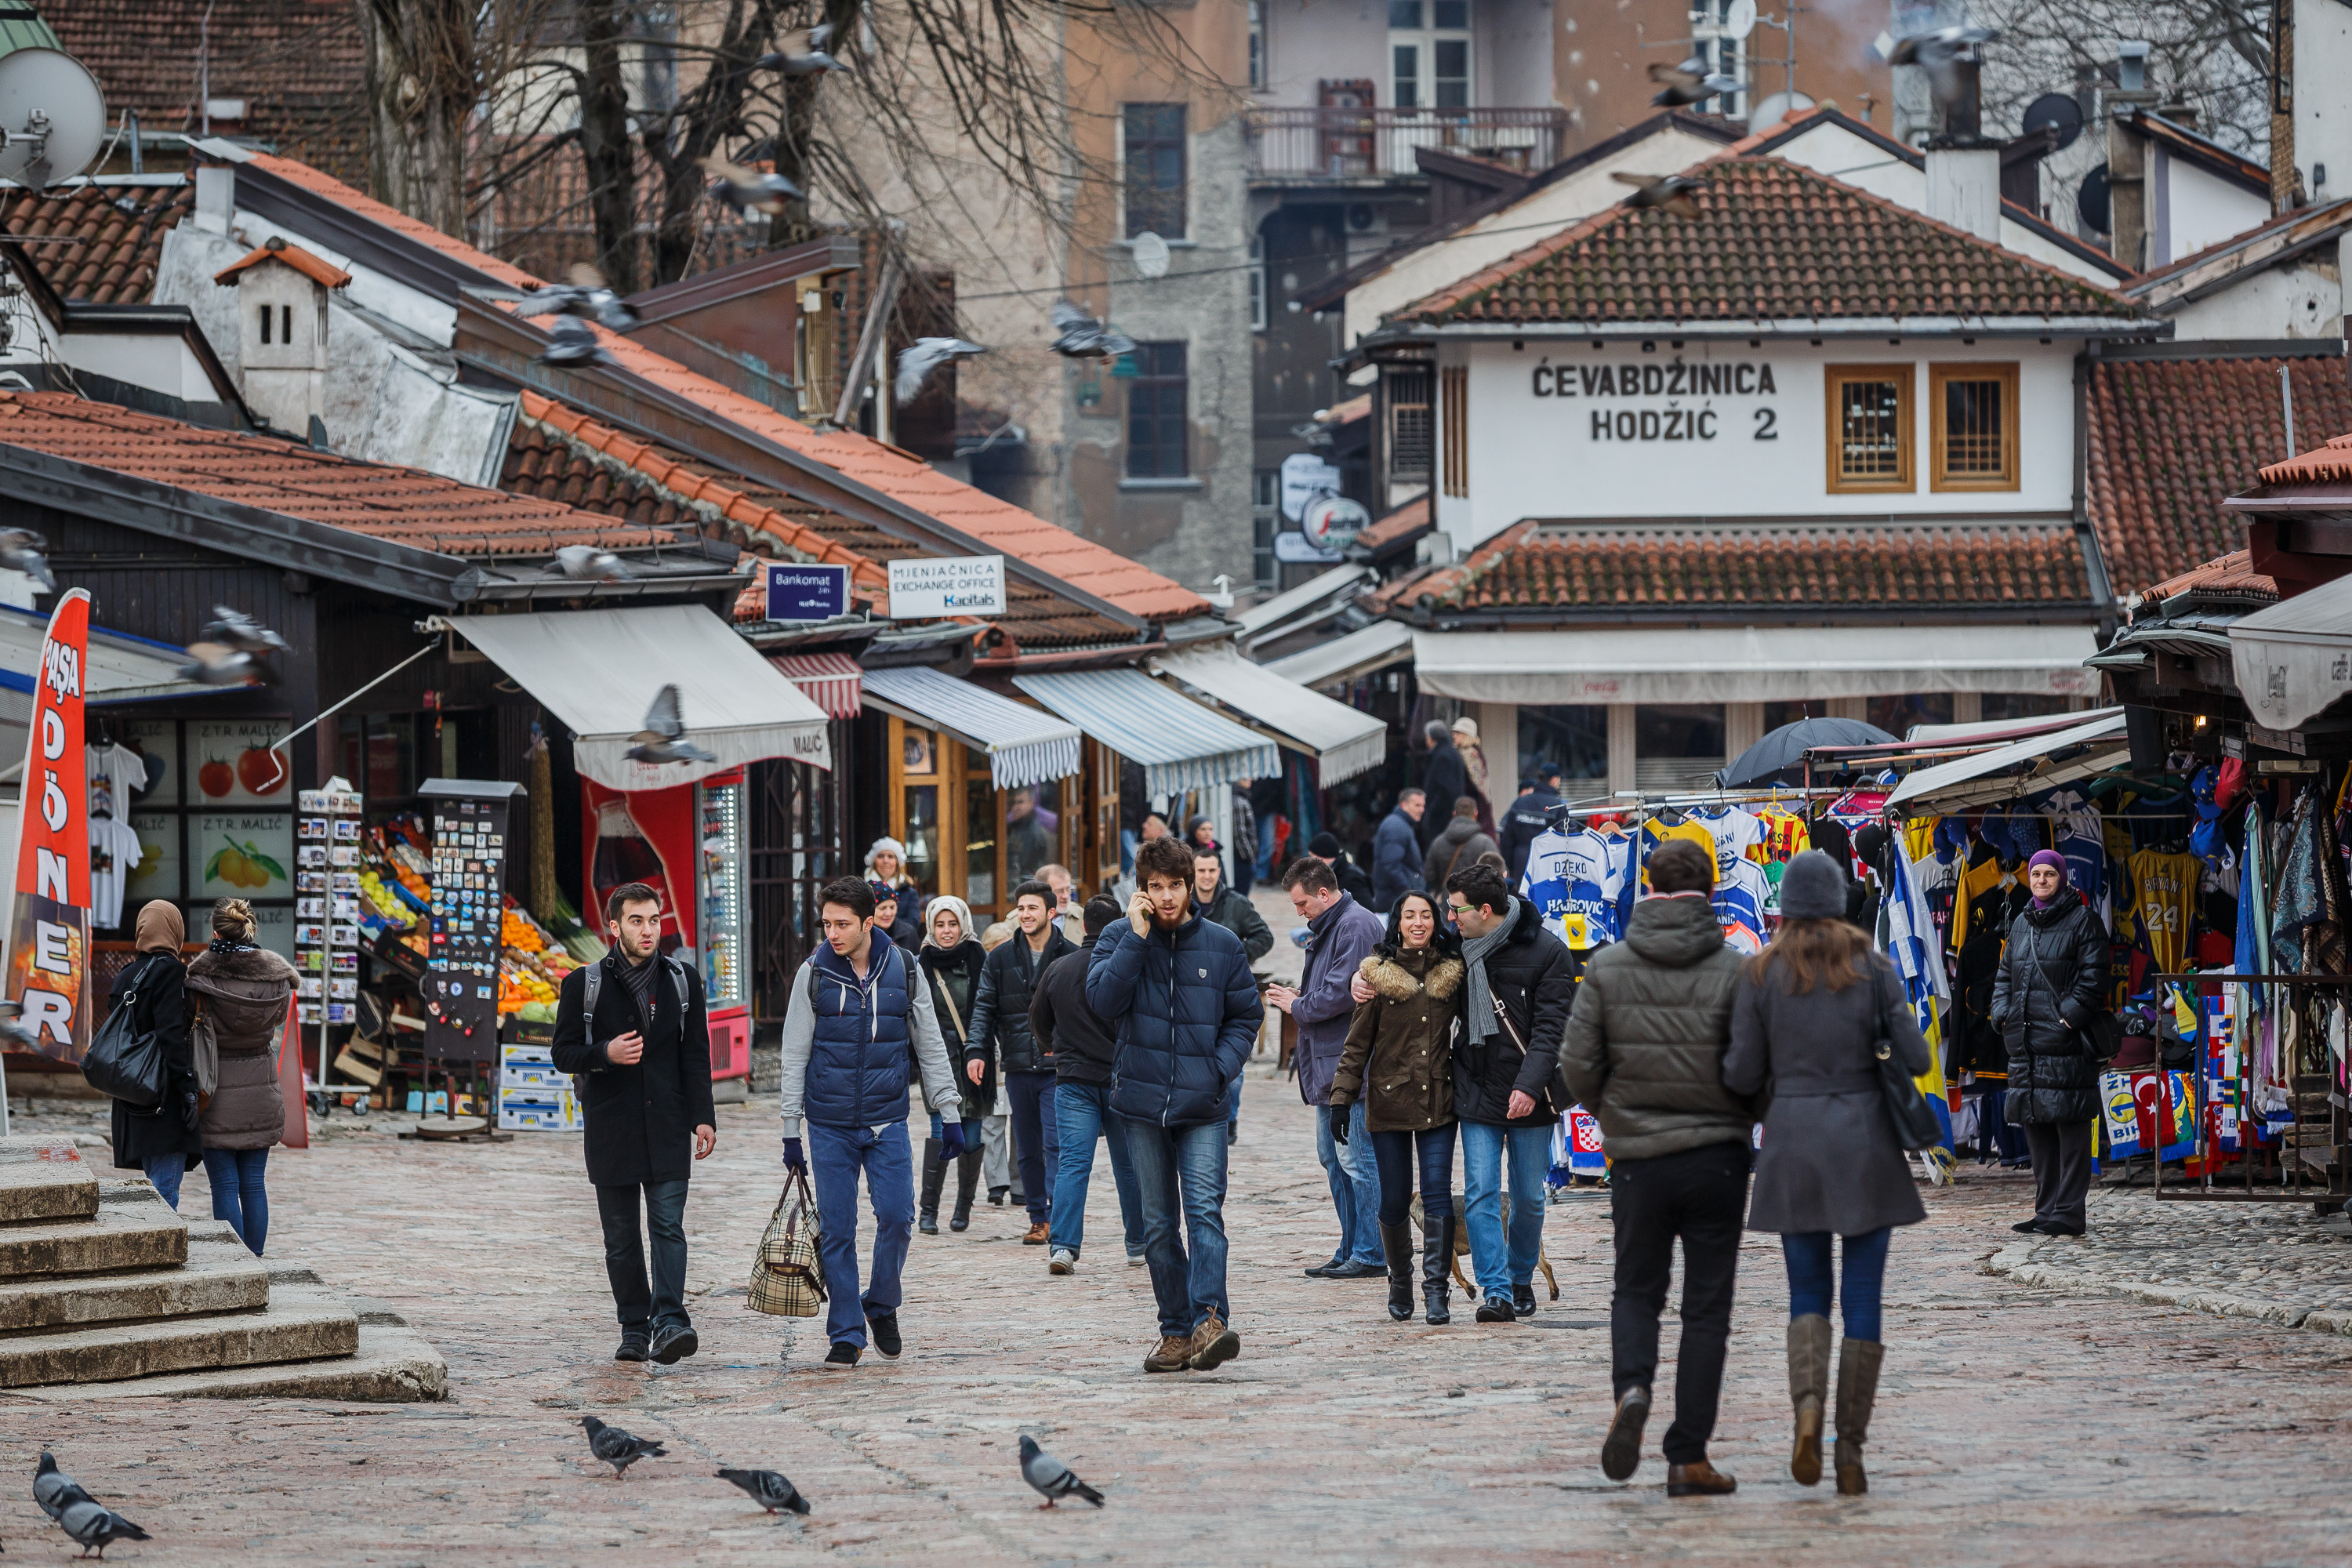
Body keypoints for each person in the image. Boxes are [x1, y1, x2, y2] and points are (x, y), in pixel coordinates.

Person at [1722, 850, 1930, 1497]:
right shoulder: (1873, 966)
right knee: (1863, 1299)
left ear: (1785, 905)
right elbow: (1918, 1056)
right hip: (1867, 1143)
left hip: (1792, 1142)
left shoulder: (1759, 973)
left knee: (1807, 1294)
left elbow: (1740, 1075)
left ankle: (1806, 1410)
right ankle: (1850, 1448)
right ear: (1840, 900)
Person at [1559, 837, 1750, 1497]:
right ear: (1712, 887)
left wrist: (1612, 1116)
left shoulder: (1609, 967)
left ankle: (1633, 1388)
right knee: (1706, 1309)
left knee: (1637, 1290)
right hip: (1717, 1156)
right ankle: (1688, 1454)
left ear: (1646, 884)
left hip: (1638, 1157)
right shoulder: (1734, 969)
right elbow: (1755, 1066)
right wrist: (1738, 1111)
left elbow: (1576, 1064)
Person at [1087, 834, 1262, 1374]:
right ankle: (1175, 1331)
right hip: (1140, 1106)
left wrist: (1218, 1069)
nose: (1166, 897)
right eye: (1155, 888)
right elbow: (1101, 1002)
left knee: (1204, 1212)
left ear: (1192, 886)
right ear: (1141, 891)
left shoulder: (1223, 944)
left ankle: (1210, 1318)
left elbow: (1245, 1017)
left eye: (1175, 886)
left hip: (1203, 1105)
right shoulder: (1119, 936)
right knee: (1160, 1226)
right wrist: (1136, 941)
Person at [778, 877, 967, 1367]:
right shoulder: (813, 973)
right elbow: (794, 1053)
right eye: (827, 924)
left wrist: (949, 1112)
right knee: (838, 1229)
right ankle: (845, 1330)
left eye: (843, 924)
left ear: (868, 922)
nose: (833, 934)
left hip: (888, 1120)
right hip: (829, 1123)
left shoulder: (904, 968)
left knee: (899, 1217)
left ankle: (881, 1303)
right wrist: (790, 1129)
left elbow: (929, 1043)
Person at [550, 883, 717, 1363]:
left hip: (667, 1124)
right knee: (621, 1239)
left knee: (668, 1226)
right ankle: (634, 1327)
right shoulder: (584, 984)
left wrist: (702, 1117)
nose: (648, 931)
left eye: (654, 920)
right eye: (637, 921)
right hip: (612, 1129)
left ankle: (671, 1321)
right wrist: (605, 1053)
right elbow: (562, 1052)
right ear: (615, 927)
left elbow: (696, 1055)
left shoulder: (682, 979)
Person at [1417, 862, 1575, 1325]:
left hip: (1532, 1089)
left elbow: (1551, 1031)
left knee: (1528, 1196)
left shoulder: (1548, 952)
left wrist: (1528, 1086)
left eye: (1456, 910)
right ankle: (1497, 1290)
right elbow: (1403, 960)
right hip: (1477, 1085)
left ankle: (1521, 1275)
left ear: (1485, 911)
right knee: (1481, 1191)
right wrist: (1362, 979)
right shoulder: (1458, 949)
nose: (1450, 918)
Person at [1329, 890, 1462, 1325]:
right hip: (1388, 1102)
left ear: (1436, 920)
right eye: (1410, 916)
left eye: (1426, 915)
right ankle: (1400, 1279)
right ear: (1398, 923)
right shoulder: (1377, 976)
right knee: (1394, 1198)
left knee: (1438, 1193)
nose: (1419, 923)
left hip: (1438, 1101)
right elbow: (1356, 1046)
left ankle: (1436, 1290)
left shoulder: (1451, 973)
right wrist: (1341, 1099)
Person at [1266, 855, 1387, 1279]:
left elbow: (1341, 993)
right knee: (1334, 1160)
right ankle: (1351, 1245)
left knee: (1356, 1159)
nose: (1299, 913)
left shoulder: (1354, 924)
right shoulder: (1333, 924)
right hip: (1328, 1063)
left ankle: (1371, 1251)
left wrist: (1298, 1005)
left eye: (1302, 904)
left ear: (1322, 893)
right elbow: (1332, 988)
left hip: (1348, 1064)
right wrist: (1303, 996)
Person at [1991, 848, 2111, 1239]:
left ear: (2062, 878)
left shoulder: (2083, 920)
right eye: (2036, 874)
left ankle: (2069, 1213)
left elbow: (2095, 980)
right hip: (2025, 1043)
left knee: (2070, 1129)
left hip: (2064, 1042)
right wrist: (2001, 1013)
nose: (2041, 881)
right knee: (2036, 1127)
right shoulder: (2021, 923)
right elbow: (2005, 974)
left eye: (2049, 874)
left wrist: (2067, 1019)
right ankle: (2045, 1212)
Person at [1033, 895, 1147, 1273]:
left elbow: (1037, 1018)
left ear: (1083, 926)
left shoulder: (1060, 967)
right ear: (1124, 924)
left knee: (1073, 1163)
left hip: (1073, 1078)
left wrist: (1052, 1047)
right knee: (1128, 1166)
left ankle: (1063, 1246)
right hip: (1121, 1077)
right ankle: (1138, 1243)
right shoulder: (1129, 967)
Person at [184, 898, 299, 1257]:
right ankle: (257, 1259)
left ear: (215, 932)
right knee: (253, 1184)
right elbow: (278, 1020)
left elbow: (191, 1023)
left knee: (224, 1185)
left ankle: (235, 1262)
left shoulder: (200, 979)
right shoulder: (276, 978)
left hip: (214, 1089)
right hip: (261, 1088)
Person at [966, 879, 1076, 1245]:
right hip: (1016, 1065)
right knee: (1027, 1149)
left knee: (1056, 1144)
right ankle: (1038, 1218)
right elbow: (983, 1007)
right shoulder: (1000, 957)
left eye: (1033, 908)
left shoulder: (1070, 955)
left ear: (1051, 912)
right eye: (1021, 909)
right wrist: (977, 1051)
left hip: (1058, 1068)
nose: (1026, 915)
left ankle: (1061, 1219)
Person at [107, 900, 199, 1209]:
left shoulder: (125, 976)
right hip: (164, 1095)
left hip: (133, 1093)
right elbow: (170, 1034)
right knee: (165, 1191)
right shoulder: (170, 972)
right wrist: (187, 1088)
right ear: (174, 930)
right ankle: (161, 1255)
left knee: (153, 1187)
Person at [915, 896, 987, 1235]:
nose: (946, 931)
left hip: (974, 1058)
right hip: (937, 1058)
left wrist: (982, 1048)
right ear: (931, 926)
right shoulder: (921, 963)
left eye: (952, 924)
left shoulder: (978, 959)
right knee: (939, 1131)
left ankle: (963, 1208)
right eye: (940, 925)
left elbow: (988, 1009)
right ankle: (928, 1211)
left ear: (963, 925)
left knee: (971, 1138)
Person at [1196, 844, 1274, 1144]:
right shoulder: (1182, 904)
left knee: (1233, 1060)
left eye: (1211, 870)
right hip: (1192, 990)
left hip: (1228, 988)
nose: (1206, 877)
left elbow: (1264, 937)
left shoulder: (1236, 904)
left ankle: (1229, 1118)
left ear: (1219, 871)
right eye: (1201, 871)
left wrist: (1236, 953)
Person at [1499, 771, 1566, 886]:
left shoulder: (1520, 802)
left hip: (1521, 861)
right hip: (1547, 862)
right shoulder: (1556, 805)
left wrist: (1510, 864)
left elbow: (1507, 838)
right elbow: (1565, 838)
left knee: (1522, 898)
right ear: (1554, 780)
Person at [1424, 795, 1501, 893]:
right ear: (1476, 814)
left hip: (1448, 901)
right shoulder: (1485, 842)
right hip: (1476, 902)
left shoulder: (1438, 842)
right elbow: (1496, 873)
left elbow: (1429, 875)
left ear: (1454, 814)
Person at [1370, 788, 1427, 913]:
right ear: (1403, 805)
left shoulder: (1401, 824)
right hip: (1395, 899)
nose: (1422, 809)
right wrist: (1407, 890)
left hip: (1397, 898)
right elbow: (1391, 864)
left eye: (1423, 806)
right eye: (1417, 805)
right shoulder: (1396, 827)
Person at [1417, 721, 1468, 851]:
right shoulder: (1451, 752)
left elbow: (1446, 789)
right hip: (1447, 816)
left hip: (1441, 819)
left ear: (1430, 738)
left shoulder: (1442, 756)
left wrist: (1431, 812)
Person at [1308, 831, 1376, 909]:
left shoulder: (1351, 877)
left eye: (1311, 856)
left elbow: (1366, 910)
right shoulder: (1332, 874)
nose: (1310, 860)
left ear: (1321, 856)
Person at [1451, 716, 1495, 834]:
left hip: (1474, 807)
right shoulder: (1466, 752)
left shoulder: (1470, 754)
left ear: (1467, 735)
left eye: (1458, 732)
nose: (1454, 735)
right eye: (1453, 732)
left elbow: (1476, 783)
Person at [1037, 862, 1087, 946]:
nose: (1066, 896)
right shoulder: (1018, 920)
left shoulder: (1082, 915)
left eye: (1068, 889)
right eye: (1059, 891)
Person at [1231, 788, 1258, 897]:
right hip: (1241, 859)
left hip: (1240, 858)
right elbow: (1239, 834)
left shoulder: (1238, 799)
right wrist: (1249, 856)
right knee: (1241, 898)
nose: (1250, 778)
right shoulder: (1238, 802)